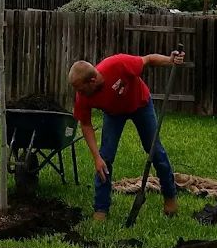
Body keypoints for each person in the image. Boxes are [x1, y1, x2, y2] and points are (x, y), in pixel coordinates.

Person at [68, 51, 184, 220]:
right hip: (113, 114)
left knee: (155, 151)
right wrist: (96, 158)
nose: (78, 93)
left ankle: (170, 197)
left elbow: (148, 59)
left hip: (140, 105)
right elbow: (85, 124)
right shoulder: (83, 96)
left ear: (92, 81)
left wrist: (170, 60)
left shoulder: (118, 64)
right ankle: (101, 208)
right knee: (105, 158)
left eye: (80, 88)